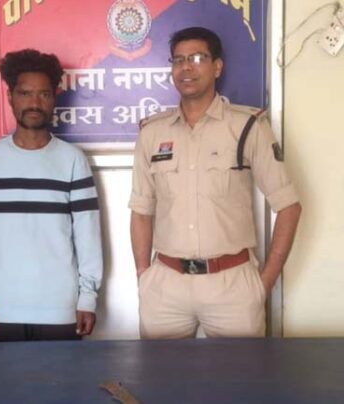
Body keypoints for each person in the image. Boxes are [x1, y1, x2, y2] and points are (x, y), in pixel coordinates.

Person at [130, 27, 302, 339]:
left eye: (197, 58)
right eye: (178, 60)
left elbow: (289, 206)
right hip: (166, 286)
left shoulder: (247, 126)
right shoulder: (152, 133)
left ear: (217, 67)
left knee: (240, 372)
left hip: (232, 285)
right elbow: (142, 210)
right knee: (160, 371)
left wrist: (265, 282)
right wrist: (144, 275)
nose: (186, 67)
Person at [0, 49, 103, 342]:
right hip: (3, 308)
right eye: (25, 93)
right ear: (10, 97)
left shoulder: (72, 160)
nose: (34, 103)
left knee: (63, 375)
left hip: (62, 308)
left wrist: (87, 298)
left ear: (54, 98)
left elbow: (87, 237)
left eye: (43, 94)